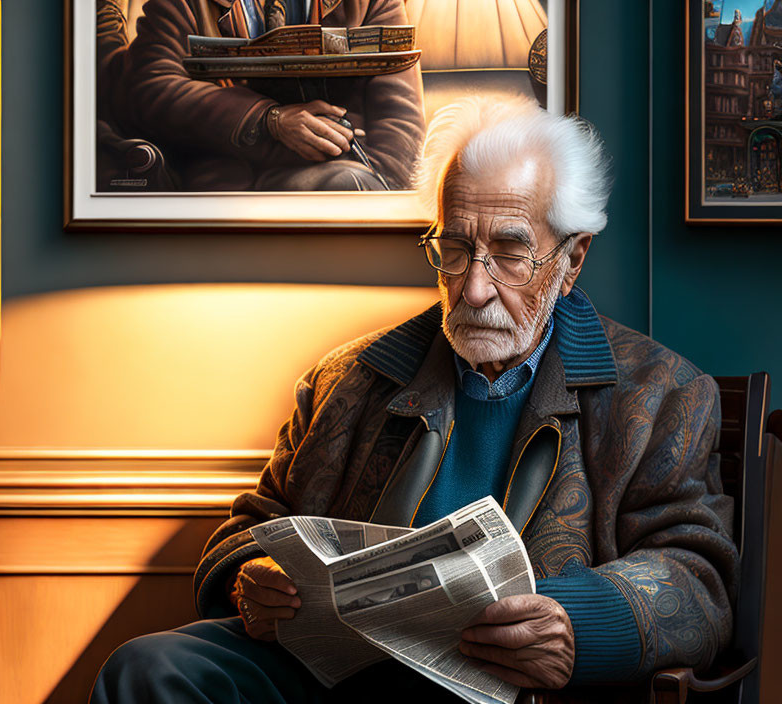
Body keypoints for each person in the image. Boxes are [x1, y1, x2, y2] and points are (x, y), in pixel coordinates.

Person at [90, 94, 738, 703]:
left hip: (505, 685)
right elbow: (255, 523)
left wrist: (579, 626)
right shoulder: (347, 378)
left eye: (510, 253)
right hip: (341, 674)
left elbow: (696, 575)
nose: (474, 288)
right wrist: (250, 576)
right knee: (149, 667)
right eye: (455, 249)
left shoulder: (661, 394)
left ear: (572, 261)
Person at [110, 0, 426, 191]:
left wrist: (387, 198)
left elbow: (400, 116)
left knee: (352, 184)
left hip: (352, 173)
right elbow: (149, 86)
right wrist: (268, 120)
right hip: (232, 186)